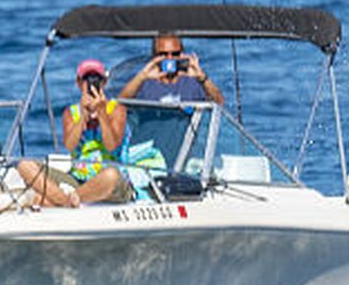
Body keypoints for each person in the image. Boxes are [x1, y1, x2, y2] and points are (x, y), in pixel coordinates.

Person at [14, 59, 133, 207]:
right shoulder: (71, 113)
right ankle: (65, 201)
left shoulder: (116, 109)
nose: (91, 85)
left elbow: (112, 146)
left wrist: (101, 112)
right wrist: (83, 116)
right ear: (78, 83)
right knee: (25, 165)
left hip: (108, 181)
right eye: (86, 80)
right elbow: (70, 145)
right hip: (78, 180)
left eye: (97, 80)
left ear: (104, 83)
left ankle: (61, 200)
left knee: (111, 175)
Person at [115, 31, 226, 106]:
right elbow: (120, 103)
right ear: (154, 56)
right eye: (163, 54)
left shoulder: (193, 82)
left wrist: (202, 77)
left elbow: (220, 103)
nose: (170, 58)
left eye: (175, 54)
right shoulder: (143, 83)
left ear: (181, 54)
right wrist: (141, 77)